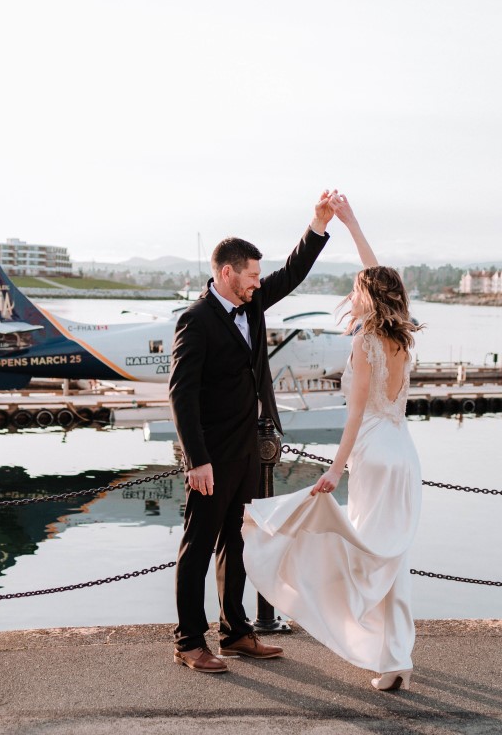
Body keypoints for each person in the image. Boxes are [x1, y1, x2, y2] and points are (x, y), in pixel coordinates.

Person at [243, 192, 423, 691]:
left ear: (367, 296)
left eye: (357, 289)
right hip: (405, 453)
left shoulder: (366, 341)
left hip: (372, 452)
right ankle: (395, 656)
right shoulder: (402, 334)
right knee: (389, 556)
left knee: (366, 554)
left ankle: (384, 652)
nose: (354, 293)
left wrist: (334, 470)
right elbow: (382, 275)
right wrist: (351, 222)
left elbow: (354, 416)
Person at [168, 191, 334, 673]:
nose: (259, 283)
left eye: (260, 277)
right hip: (211, 455)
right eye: (252, 275)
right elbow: (181, 394)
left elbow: (293, 273)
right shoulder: (194, 321)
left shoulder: (253, 303)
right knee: (198, 545)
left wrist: (318, 225)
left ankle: (236, 631)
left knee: (238, 543)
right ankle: (188, 641)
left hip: (248, 448)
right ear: (227, 272)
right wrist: (195, 458)